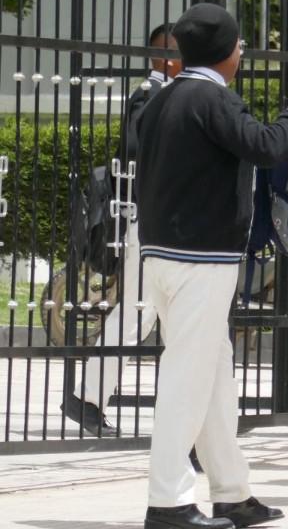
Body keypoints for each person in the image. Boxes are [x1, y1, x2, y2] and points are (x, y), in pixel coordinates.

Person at [136, 3, 288, 529]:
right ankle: (167, 502)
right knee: (187, 380)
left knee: (213, 377)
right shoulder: (212, 97)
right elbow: (266, 147)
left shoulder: (163, 98)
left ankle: (232, 492)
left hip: (165, 255)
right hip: (202, 259)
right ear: (229, 52)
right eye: (240, 46)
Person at [62, 23, 181, 438]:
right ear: (164, 56)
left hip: (163, 222)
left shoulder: (166, 94)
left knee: (150, 314)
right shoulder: (149, 97)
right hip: (147, 220)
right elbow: (134, 156)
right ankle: (87, 397)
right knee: (139, 312)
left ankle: (94, 397)